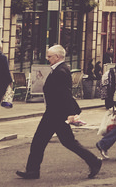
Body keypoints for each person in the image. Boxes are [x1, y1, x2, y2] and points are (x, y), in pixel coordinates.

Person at [16, 45, 101, 180]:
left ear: (57, 57)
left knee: (41, 141)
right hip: (55, 112)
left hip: (55, 114)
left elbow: (65, 94)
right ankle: (93, 161)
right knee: (62, 142)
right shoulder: (59, 69)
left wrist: (70, 113)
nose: (47, 58)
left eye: (49, 56)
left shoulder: (60, 71)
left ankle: (33, 170)